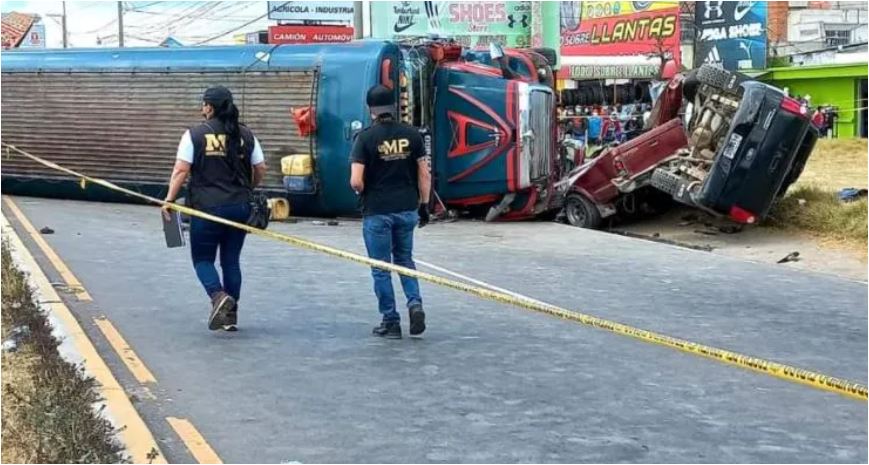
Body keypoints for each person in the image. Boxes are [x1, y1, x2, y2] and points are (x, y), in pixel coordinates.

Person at [162, 86, 267, 332]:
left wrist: (168, 200)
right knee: (231, 260)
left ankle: (218, 297)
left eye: (203, 104)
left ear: (209, 106)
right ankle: (230, 317)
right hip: (240, 207)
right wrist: (247, 188)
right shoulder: (246, 135)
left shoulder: (195, 135)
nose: (202, 109)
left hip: (206, 208)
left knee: (203, 259)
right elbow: (261, 168)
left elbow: (180, 170)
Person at [350, 85, 431, 339]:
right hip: (407, 208)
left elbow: (356, 181)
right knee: (405, 260)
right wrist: (424, 205)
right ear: (394, 106)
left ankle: (391, 320)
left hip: (377, 211)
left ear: (370, 110)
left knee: (380, 268)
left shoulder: (364, 138)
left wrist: (361, 191)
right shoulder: (412, 135)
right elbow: (424, 174)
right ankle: (415, 304)